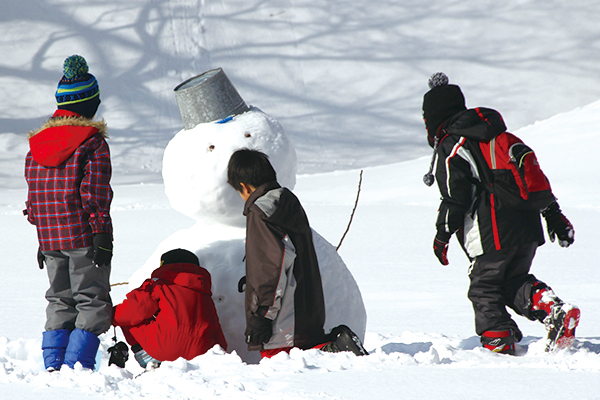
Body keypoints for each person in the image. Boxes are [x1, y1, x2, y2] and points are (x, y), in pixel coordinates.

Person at [421, 72, 580, 354]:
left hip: (491, 230)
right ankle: (553, 308)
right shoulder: (498, 137)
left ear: (433, 117)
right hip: (527, 227)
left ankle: (498, 339)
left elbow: (454, 196)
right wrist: (552, 215)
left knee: (483, 288)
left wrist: (442, 235)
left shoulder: (453, 144)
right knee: (511, 282)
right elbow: (534, 180)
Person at [227, 148, 368, 359]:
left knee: (281, 367)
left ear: (244, 187)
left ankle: (338, 350)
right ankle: (336, 350)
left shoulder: (261, 212)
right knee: (304, 363)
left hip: (284, 317)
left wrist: (262, 316)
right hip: (305, 306)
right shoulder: (285, 201)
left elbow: (270, 270)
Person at [24, 55, 113, 371]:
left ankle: (53, 365)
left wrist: (42, 237)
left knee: (59, 299)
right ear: (90, 103)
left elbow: (36, 196)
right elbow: (95, 194)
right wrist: (101, 231)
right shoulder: (91, 143)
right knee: (91, 299)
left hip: (50, 239)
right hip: (83, 236)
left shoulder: (36, 146)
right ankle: (77, 368)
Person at [112, 249, 228, 370]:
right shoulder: (204, 293)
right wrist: (221, 352)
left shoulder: (160, 284)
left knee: (127, 315)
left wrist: (109, 315)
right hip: (202, 351)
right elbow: (215, 327)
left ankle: (148, 360)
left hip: (165, 349)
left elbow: (133, 310)